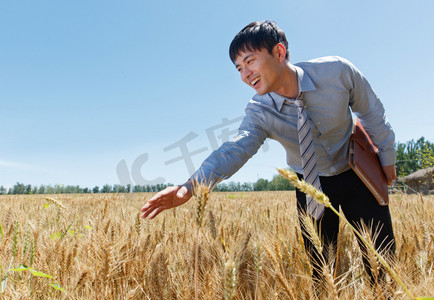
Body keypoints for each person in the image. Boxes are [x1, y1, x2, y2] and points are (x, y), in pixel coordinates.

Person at [141, 20, 396, 285]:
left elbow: (372, 112)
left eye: (249, 61)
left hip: (359, 174)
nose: (245, 74)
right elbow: (236, 149)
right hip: (310, 184)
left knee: (385, 266)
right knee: (322, 273)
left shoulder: (337, 72)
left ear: (279, 53)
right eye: (239, 68)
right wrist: (190, 186)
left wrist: (386, 158)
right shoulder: (259, 110)